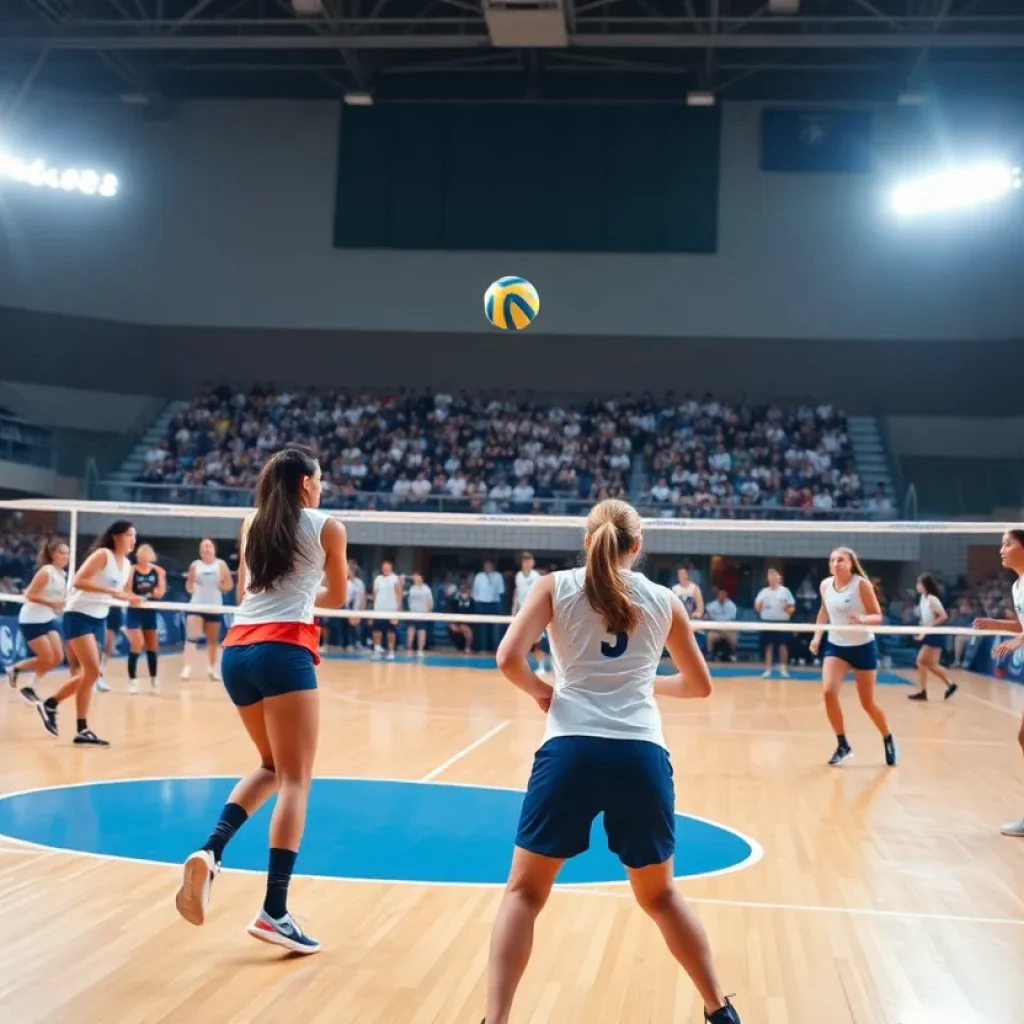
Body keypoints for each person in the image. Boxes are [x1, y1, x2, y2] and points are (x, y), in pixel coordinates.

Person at [483, 499, 741, 1024]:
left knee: (524, 893)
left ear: (587, 540)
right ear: (637, 546)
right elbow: (700, 686)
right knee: (662, 897)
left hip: (570, 751)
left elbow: (508, 658)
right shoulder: (665, 599)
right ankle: (720, 1010)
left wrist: (542, 692)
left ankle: (496, 1020)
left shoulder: (554, 585)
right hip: (641, 756)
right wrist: (644, 681)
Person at [175, 446, 348, 950]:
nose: (321, 486)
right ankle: (274, 910)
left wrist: (284, 593)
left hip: (237, 650)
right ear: (305, 484)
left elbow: (247, 590)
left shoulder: (252, 522)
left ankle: (211, 851)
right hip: (283, 647)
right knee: (297, 779)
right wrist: (302, 594)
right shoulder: (327, 526)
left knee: (271, 766)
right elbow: (335, 598)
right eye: (319, 479)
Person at [37, 521, 144, 745]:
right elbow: (78, 581)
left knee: (91, 674)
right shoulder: (102, 555)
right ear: (116, 536)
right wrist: (114, 592)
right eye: (129, 535)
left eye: (135, 536)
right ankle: (59, 710)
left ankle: (64, 715)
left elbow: (119, 592)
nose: (133, 540)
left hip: (100, 617)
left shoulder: (126, 564)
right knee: (93, 670)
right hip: (78, 615)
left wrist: (130, 598)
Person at [809, 547, 896, 767]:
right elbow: (823, 611)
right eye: (832, 560)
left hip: (863, 646)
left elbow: (878, 616)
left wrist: (861, 620)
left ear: (850, 564)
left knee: (867, 703)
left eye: (841, 560)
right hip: (836, 646)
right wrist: (817, 637)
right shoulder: (825, 585)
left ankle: (887, 736)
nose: (836, 563)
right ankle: (842, 744)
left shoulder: (861, 584)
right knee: (828, 692)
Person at [973, 528, 1024, 837]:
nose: (1001, 549)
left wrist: (1018, 640)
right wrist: (995, 625)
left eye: (1008, 544)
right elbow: (1022, 624)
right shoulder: (1018, 587)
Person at [7, 538, 69, 706]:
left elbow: (57, 599)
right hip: (32, 620)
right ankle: (15, 668)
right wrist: (52, 604)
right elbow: (29, 594)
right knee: (46, 657)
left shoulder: (62, 575)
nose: (66, 556)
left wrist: (60, 606)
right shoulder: (46, 572)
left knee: (57, 657)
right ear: (52, 554)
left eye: (67, 553)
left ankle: (30, 686)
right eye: (61, 553)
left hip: (48, 619)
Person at [181, 538, 233, 681]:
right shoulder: (195, 565)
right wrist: (192, 589)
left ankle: (211, 669)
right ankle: (187, 668)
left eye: (208, 546)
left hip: (214, 607)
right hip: (196, 605)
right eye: (202, 547)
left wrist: (222, 587)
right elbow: (188, 585)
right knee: (192, 638)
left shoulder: (220, 565)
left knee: (212, 641)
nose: (205, 549)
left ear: (214, 549)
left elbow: (228, 585)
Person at [124, 543, 167, 695]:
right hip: (135, 611)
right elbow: (127, 590)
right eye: (141, 554)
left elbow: (161, 592)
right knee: (136, 644)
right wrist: (133, 597)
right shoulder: (132, 570)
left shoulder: (157, 571)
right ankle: (132, 680)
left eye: (147, 554)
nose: (144, 557)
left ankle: (154, 680)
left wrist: (157, 592)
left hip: (150, 611)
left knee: (152, 646)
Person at [908, 573, 957, 701]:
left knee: (921, 661)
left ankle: (923, 692)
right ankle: (950, 684)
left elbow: (943, 616)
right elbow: (925, 620)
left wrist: (929, 627)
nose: (917, 586)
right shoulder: (923, 599)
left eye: (919, 583)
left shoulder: (932, 599)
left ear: (925, 585)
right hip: (929, 632)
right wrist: (921, 631)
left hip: (935, 633)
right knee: (931, 664)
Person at [754, 568, 795, 679]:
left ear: (778, 578)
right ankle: (768, 670)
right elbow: (757, 608)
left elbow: (792, 607)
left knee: (782, 646)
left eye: (774, 576)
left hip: (782, 622)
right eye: (769, 576)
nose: (771, 578)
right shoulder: (763, 592)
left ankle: (783, 669)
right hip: (767, 622)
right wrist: (760, 604)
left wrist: (787, 609)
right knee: (768, 646)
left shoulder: (785, 591)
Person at [513, 552, 550, 675]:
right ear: (522, 563)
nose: (528, 563)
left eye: (530, 560)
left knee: (537, 641)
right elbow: (517, 592)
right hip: (521, 614)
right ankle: (521, 665)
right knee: (521, 641)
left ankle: (542, 666)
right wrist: (514, 610)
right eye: (525, 561)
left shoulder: (536, 576)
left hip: (534, 613)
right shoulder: (518, 575)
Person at [371, 559, 402, 661]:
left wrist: (398, 611)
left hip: (391, 610)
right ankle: (377, 651)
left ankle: (391, 652)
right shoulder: (378, 579)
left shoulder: (395, 579)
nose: (385, 568)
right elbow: (375, 595)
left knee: (391, 632)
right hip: (379, 610)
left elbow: (399, 595)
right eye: (384, 567)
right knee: (377, 631)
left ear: (391, 567)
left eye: (387, 567)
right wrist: (374, 608)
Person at [472, 559, 505, 652]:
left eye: (490, 566)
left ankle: (495, 650)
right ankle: (482, 649)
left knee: (495, 629)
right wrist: (477, 602)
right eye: (486, 566)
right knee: (481, 629)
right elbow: (475, 591)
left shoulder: (498, 576)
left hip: (494, 604)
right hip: (481, 604)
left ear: (493, 567)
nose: (488, 568)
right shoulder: (479, 576)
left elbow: (501, 591)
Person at [704, 588, 737, 662]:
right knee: (710, 636)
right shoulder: (711, 606)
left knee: (733, 636)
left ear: (726, 596)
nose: (722, 596)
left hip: (727, 630)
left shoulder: (732, 606)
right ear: (717, 595)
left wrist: (725, 631)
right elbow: (707, 618)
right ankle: (710, 654)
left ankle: (733, 654)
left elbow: (731, 621)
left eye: (724, 594)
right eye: (720, 594)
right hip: (716, 630)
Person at [405, 571, 434, 656]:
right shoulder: (411, 588)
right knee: (411, 630)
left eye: (418, 577)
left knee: (421, 630)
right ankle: (409, 647)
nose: (416, 579)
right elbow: (408, 600)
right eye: (415, 577)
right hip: (412, 613)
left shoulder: (426, 589)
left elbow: (430, 601)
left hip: (422, 613)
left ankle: (420, 648)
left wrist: (429, 611)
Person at [340, 560, 366, 652]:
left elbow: (362, 598)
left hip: (356, 609)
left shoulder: (359, 583)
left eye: (348, 570)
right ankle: (347, 644)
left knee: (357, 628)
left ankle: (358, 643)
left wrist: (361, 611)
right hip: (346, 608)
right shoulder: (344, 582)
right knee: (347, 627)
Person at [448, 583, 474, 653]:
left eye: (465, 591)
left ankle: (467, 647)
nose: (464, 592)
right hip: (456, 624)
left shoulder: (473, 602)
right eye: (462, 590)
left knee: (467, 630)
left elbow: (474, 615)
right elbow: (450, 614)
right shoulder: (454, 602)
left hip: (469, 625)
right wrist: (452, 623)